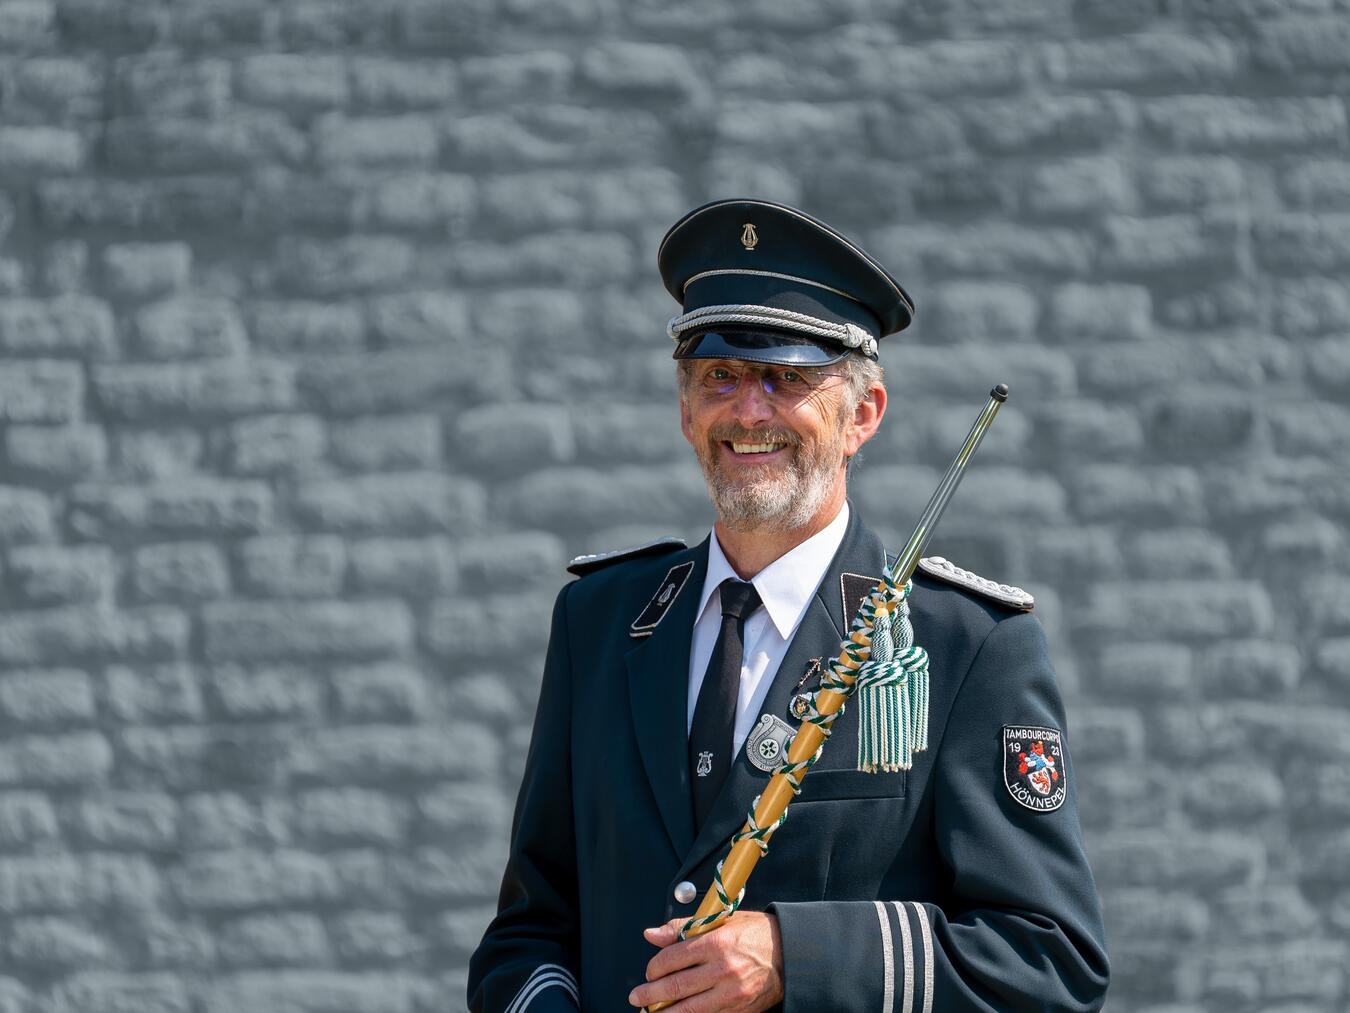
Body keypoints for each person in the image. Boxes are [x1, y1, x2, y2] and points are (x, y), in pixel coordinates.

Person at [468, 199, 1110, 1012]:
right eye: (722, 377)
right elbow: (530, 932)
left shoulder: (966, 646)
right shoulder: (599, 621)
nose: (749, 410)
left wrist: (795, 955)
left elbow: (1050, 962)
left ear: (862, 416)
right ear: (684, 409)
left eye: (789, 378)